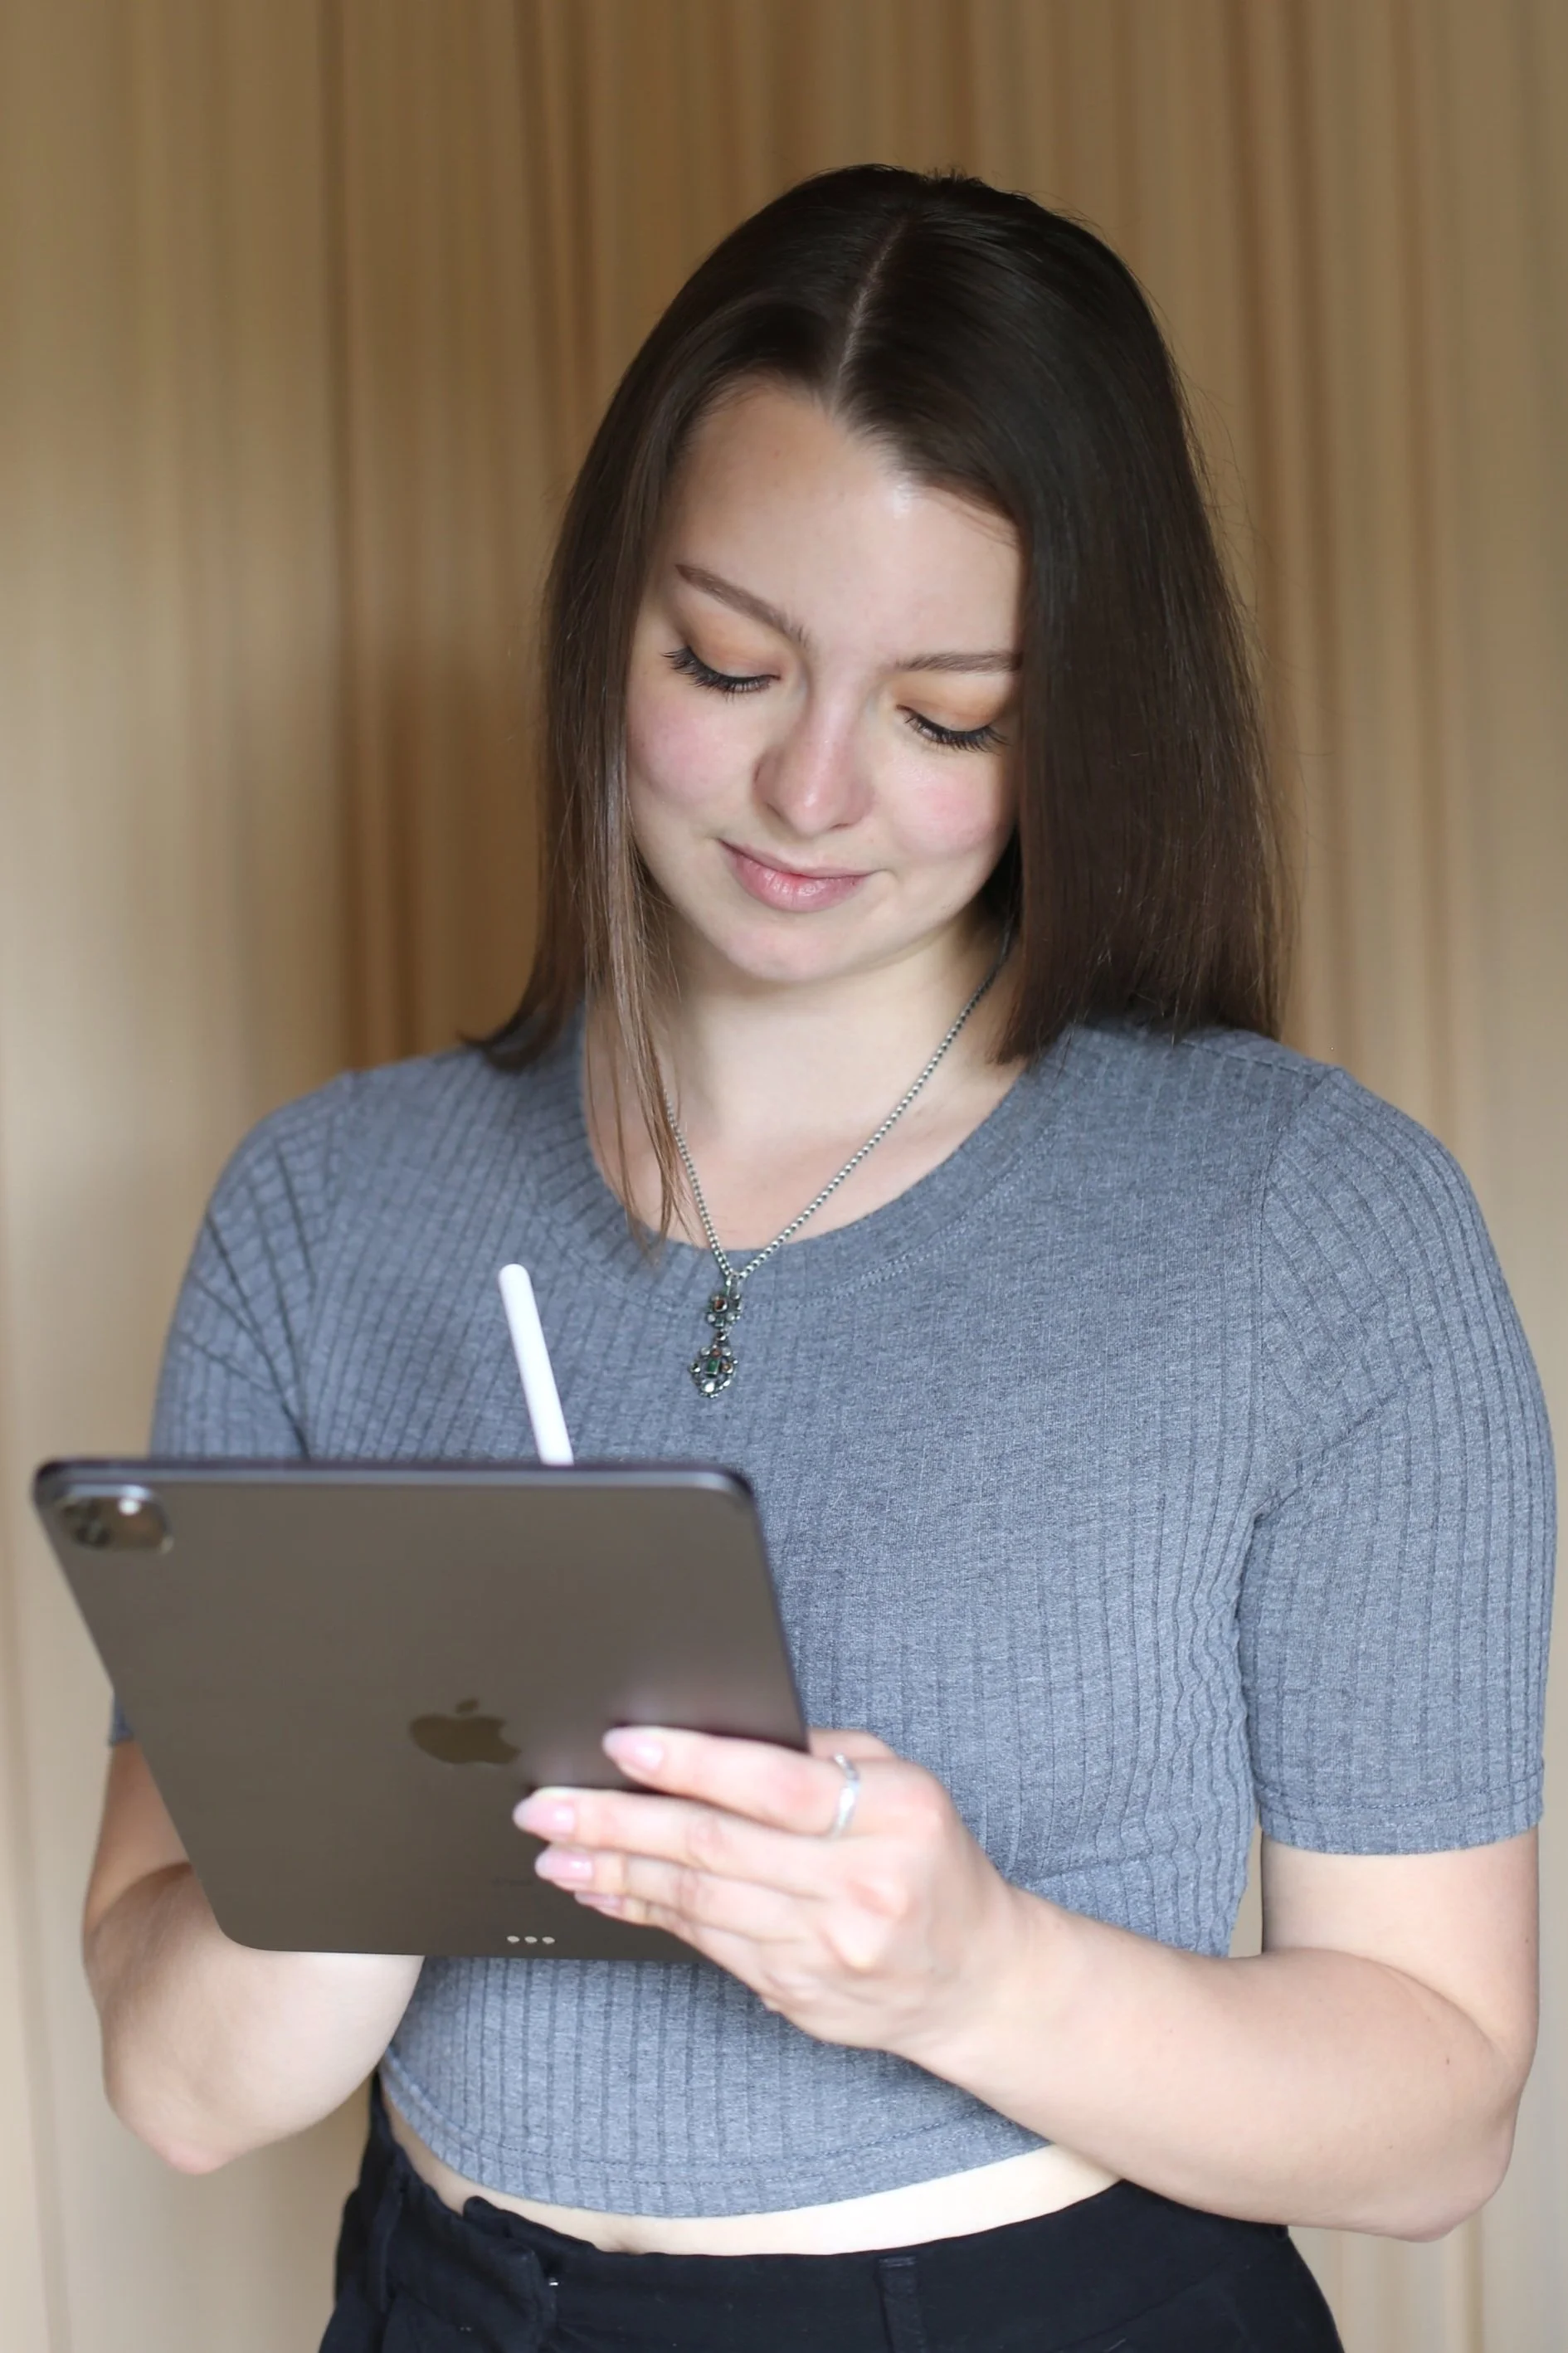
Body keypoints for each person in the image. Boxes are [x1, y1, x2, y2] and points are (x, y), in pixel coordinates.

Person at [84, 166, 1552, 2353]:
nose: (807, 788)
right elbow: (178, 2082)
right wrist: (407, 1798)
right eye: (727, 661)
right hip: (454, 2299)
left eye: (948, 713)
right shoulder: (327, 1209)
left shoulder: (1312, 1225)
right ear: (609, 620)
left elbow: (1436, 2117)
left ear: (1084, 724)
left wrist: (978, 1970)